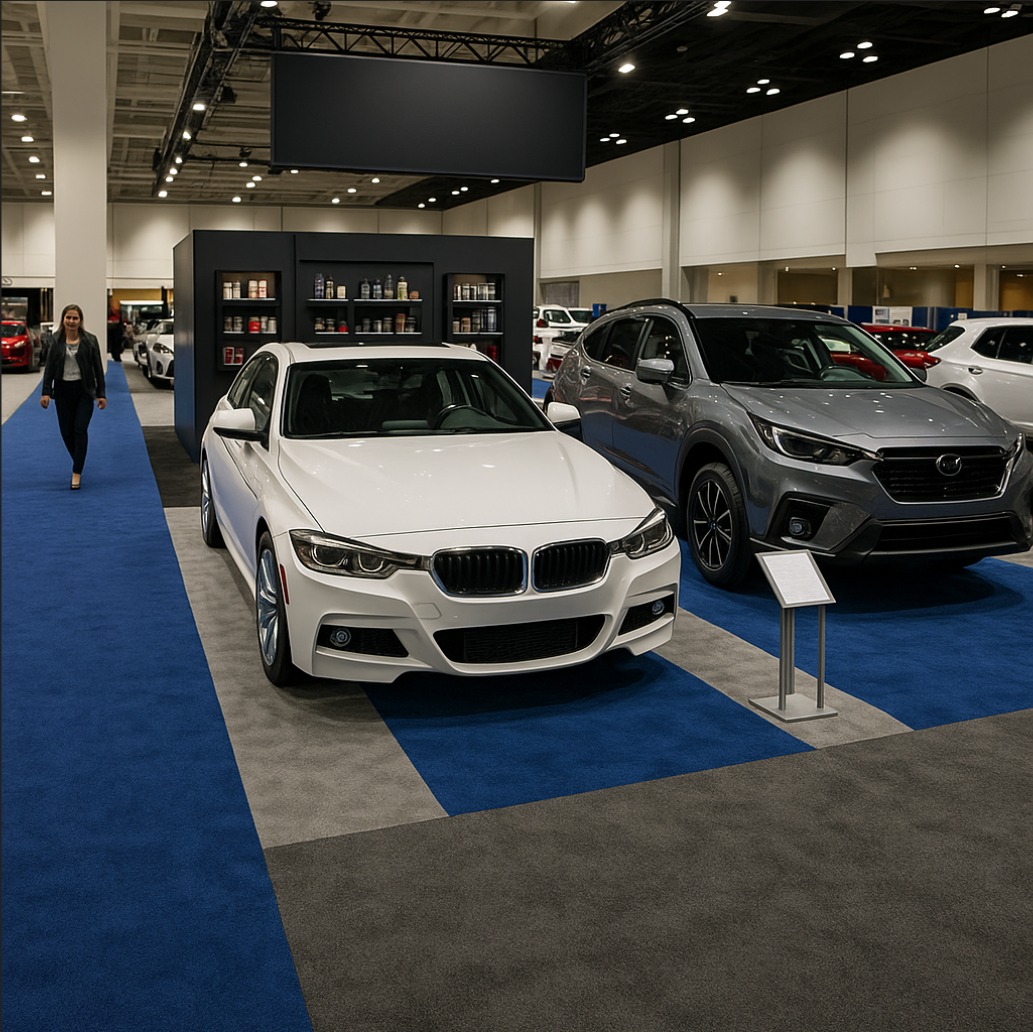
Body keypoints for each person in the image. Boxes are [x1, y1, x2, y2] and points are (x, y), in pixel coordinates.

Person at [40, 303, 107, 490]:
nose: (71, 321)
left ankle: (76, 471)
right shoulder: (55, 340)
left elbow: (98, 370)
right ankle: (79, 459)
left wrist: (101, 394)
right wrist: (46, 392)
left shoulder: (90, 341)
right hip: (62, 391)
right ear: (63, 320)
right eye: (68, 317)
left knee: (79, 428)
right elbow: (50, 368)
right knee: (66, 432)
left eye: (75, 318)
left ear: (80, 321)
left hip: (84, 390)